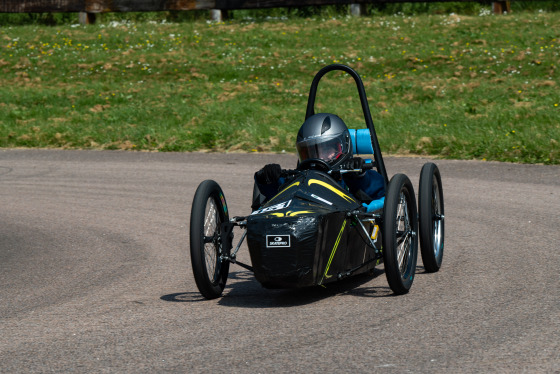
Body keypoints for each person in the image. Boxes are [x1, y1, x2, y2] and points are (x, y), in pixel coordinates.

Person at [253, 113, 385, 212]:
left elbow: (383, 192)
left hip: (347, 229)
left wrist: (359, 178)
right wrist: (268, 179)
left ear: (343, 146)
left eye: (326, 149)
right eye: (310, 152)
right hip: (305, 229)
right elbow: (277, 199)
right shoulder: (300, 178)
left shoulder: (350, 176)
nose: (318, 157)